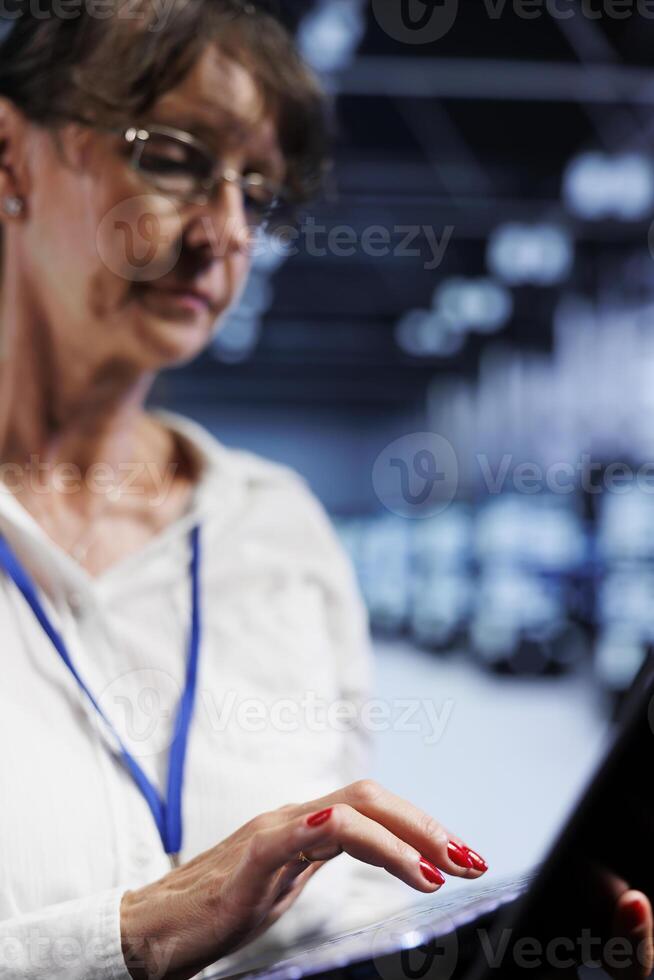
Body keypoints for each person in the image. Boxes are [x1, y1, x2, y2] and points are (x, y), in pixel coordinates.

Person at [0, 4, 650, 980]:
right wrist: (137, 932)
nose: (224, 231)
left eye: (257, 192)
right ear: (11, 154)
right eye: (174, 158)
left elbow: (330, 918)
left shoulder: (280, 531)